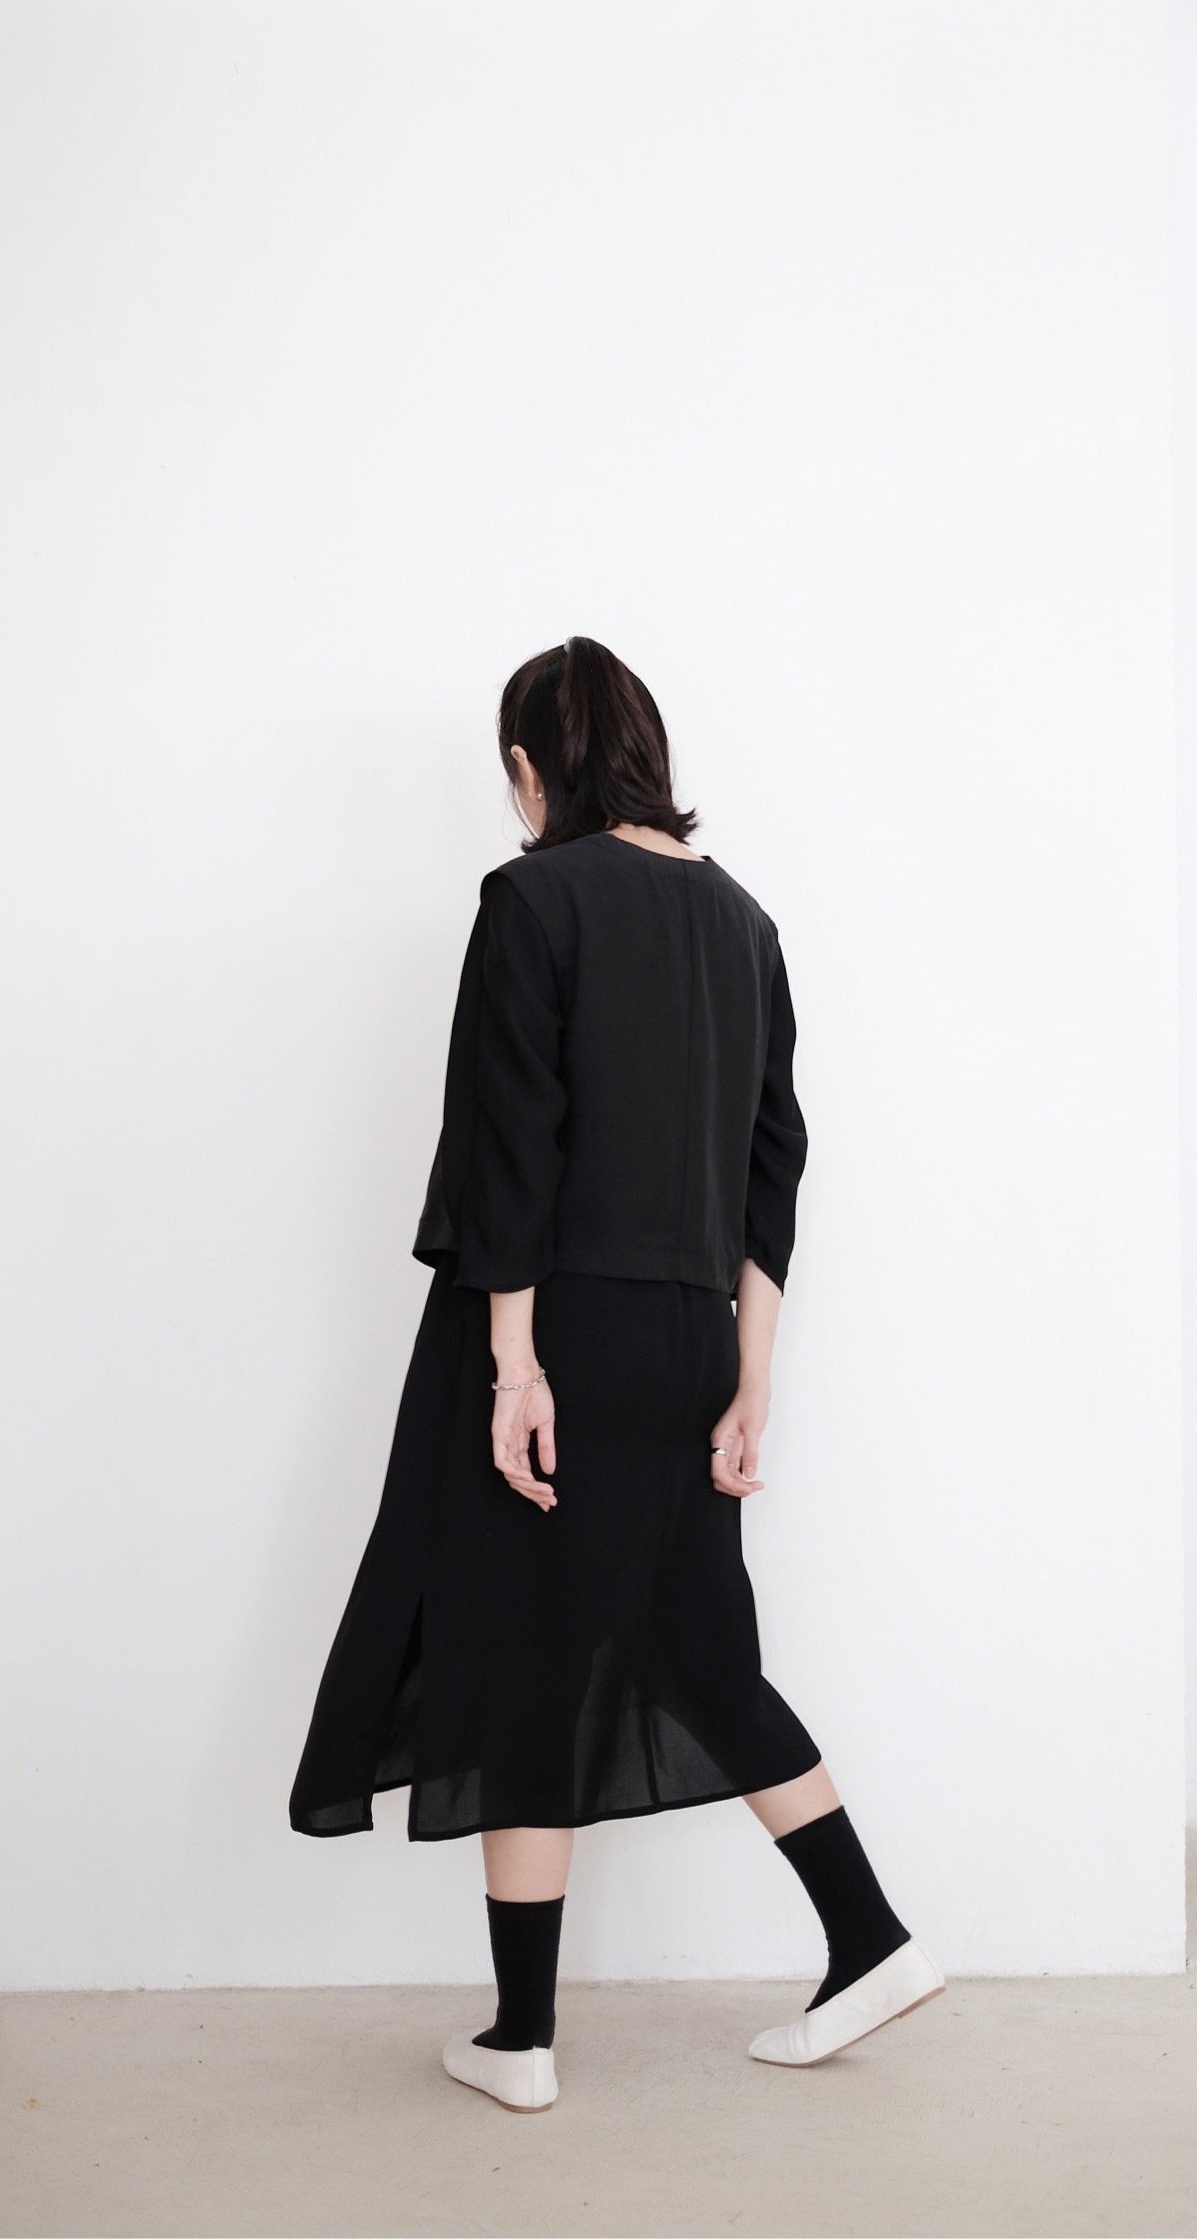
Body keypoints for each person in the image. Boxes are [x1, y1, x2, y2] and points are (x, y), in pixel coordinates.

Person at [288, 636, 942, 2111]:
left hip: (562, 1330)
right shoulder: (745, 922)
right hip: (692, 1338)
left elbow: (512, 1148)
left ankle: (523, 2039)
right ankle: (871, 1940)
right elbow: (772, 1170)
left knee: (522, 1647)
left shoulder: (533, 900)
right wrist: (751, 1377)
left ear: (533, 767)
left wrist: (514, 1367)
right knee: (702, 1650)